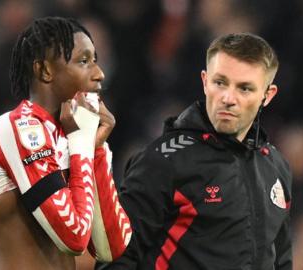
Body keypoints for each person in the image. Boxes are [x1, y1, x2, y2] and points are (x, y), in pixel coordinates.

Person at [101, 33, 292, 269]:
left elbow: (281, 261)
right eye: (220, 82)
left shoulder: (275, 166)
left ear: (267, 95)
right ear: (204, 81)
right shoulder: (165, 159)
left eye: (244, 88)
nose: (228, 98)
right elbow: (118, 257)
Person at [0, 17, 131, 270]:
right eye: (83, 61)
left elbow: (111, 247)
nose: (99, 74)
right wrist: (82, 143)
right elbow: (73, 238)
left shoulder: (71, 136)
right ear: (45, 71)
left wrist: (96, 150)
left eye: (96, 60)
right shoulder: (16, 127)